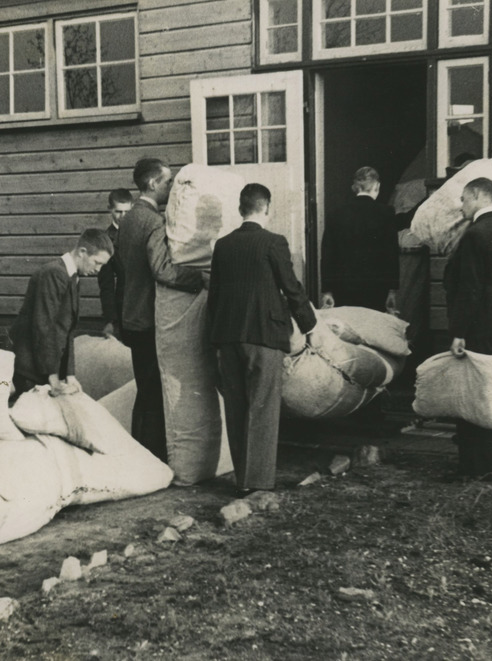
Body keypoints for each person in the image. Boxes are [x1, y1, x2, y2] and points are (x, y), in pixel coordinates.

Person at [208, 184, 317, 495]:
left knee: (237, 407)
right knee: (263, 408)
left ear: (241, 209)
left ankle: (241, 478)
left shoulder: (223, 245)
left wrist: (214, 340)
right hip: (263, 335)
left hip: (227, 336)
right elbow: (292, 287)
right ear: (266, 207)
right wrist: (309, 325)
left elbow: (214, 296)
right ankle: (255, 482)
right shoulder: (273, 242)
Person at [116, 158, 204, 461]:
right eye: (167, 182)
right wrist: (200, 278)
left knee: (145, 388)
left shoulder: (127, 219)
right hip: (148, 318)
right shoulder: (153, 221)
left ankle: (139, 451)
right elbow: (163, 270)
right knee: (154, 389)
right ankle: (151, 457)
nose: (170, 187)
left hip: (130, 315)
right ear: (153, 184)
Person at [444, 177, 492, 478]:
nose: (461, 205)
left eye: (463, 199)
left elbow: (470, 288)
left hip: (475, 325)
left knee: (474, 393)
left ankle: (477, 467)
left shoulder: (475, 234)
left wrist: (459, 331)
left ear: (476, 196)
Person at [10, 228, 113, 398]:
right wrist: (53, 377)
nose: (99, 270)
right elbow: (43, 326)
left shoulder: (72, 276)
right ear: (82, 252)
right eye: (97, 262)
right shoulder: (54, 273)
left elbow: (67, 330)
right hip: (28, 369)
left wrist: (70, 375)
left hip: (43, 367)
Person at [321, 166, 410, 313]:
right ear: (377, 186)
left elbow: (328, 255)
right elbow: (391, 255)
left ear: (355, 187)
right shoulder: (386, 213)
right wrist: (392, 291)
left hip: (343, 288)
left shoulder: (336, 214)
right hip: (376, 289)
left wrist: (327, 291)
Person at [98, 188, 133, 338]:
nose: (123, 217)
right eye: (118, 212)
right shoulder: (106, 241)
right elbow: (106, 284)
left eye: (127, 212)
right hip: (125, 307)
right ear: (110, 210)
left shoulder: (141, 231)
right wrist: (110, 320)